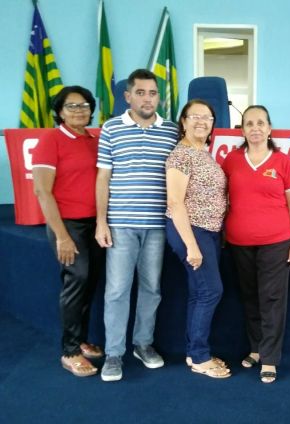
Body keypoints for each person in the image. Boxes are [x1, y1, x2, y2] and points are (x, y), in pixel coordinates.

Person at [96, 69, 178, 382]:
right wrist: (101, 222)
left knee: (151, 289)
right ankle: (113, 354)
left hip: (157, 225)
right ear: (128, 96)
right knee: (117, 291)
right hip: (120, 225)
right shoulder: (111, 128)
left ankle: (143, 344)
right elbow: (103, 178)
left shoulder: (171, 131)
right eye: (141, 93)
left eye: (153, 93)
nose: (147, 99)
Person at [222, 105, 290, 383]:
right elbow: (221, 199)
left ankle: (270, 358)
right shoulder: (232, 160)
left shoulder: (282, 162)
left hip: (277, 242)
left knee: (272, 299)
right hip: (239, 242)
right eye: (249, 123)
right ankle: (256, 349)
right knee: (250, 297)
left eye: (260, 123)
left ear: (269, 128)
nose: (255, 128)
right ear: (242, 130)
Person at [32, 85, 104, 377]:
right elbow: (42, 191)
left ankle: (82, 340)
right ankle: (70, 351)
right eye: (72, 106)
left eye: (85, 105)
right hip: (68, 225)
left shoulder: (94, 139)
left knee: (89, 282)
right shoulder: (51, 140)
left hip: (95, 224)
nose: (79, 110)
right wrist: (61, 235)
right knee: (77, 281)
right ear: (60, 111)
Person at [165, 99, 231, 379]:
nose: (202, 122)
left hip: (208, 231)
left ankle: (194, 353)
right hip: (191, 231)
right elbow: (175, 202)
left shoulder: (203, 152)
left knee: (199, 292)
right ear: (183, 121)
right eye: (195, 117)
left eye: (208, 117)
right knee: (210, 291)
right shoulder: (181, 155)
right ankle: (201, 357)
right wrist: (191, 245)